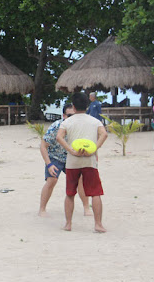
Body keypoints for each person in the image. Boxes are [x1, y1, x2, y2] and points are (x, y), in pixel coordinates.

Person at [56, 92, 108, 233]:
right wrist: (94, 148)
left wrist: (70, 150)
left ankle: (68, 224)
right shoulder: (94, 121)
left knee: (70, 193)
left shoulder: (67, 122)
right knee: (95, 193)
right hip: (89, 161)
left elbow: (59, 137)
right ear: (87, 106)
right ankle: (98, 224)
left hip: (73, 161)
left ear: (73, 106)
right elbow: (104, 134)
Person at [38, 104, 91, 217]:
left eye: (75, 115)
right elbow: (43, 146)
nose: (73, 118)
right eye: (70, 115)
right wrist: (49, 164)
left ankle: (87, 208)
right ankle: (42, 209)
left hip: (72, 157)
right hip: (55, 156)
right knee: (52, 180)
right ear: (64, 116)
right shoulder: (56, 127)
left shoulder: (80, 126)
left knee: (81, 179)